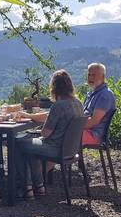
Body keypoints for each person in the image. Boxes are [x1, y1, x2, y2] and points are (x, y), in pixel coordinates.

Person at [15, 70, 83, 198]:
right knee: (31, 146)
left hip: (55, 148)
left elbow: (45, 134)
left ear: (54, 88)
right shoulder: (78, 104)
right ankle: (39, 186)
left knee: (18, 144)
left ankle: (27, 187)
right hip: (70, 149)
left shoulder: (58, 106)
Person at [82, 62, 116, 146]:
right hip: (84, 131)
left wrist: (73, 126)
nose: (90, 78)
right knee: (58, 131)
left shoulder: (104, 95)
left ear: (103, 77)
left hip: (94, 135)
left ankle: (56, 158)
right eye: (89, 74)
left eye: (94, 75)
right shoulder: (91, 93)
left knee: (63, 134)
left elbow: (94, 121)